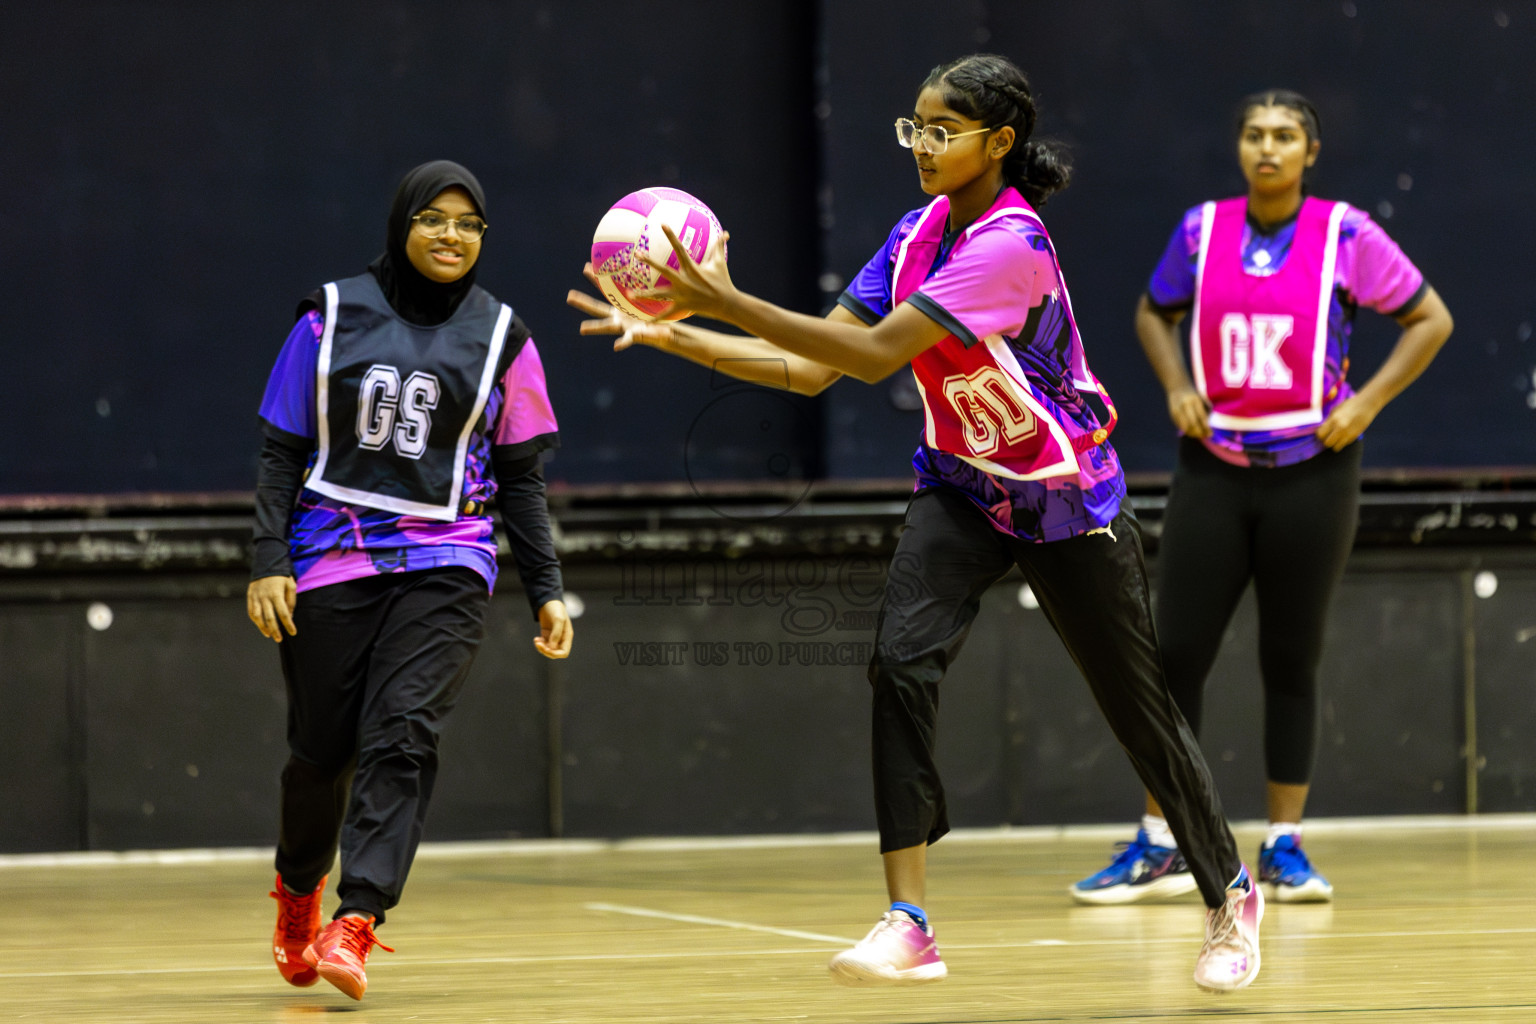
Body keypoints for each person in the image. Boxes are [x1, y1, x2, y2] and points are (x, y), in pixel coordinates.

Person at [569, 54, 1262, 992]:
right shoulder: (916, 233)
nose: (923, 146)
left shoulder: (1010, 246)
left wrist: (722, 300)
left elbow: (866, 356)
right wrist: (681, 333)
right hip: (962, 487)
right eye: (915, 127)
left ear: (999, 143)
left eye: (943, 130)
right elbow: (810, 369)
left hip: (1062, 498)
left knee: (1138, 712)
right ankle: (909, 920)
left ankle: (1228, 895)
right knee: (898, 661)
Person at [1072, 91, 1453, 906]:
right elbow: (1151, 311)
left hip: (1314, 470)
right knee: (1174, 657)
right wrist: (1177, 384)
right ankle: (1165, 841)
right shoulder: (1201, 230)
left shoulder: (1348, 235)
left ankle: (1284, 845)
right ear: (1239, 147)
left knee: (1290, 656)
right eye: (1254, 135)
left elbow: (1430, 319)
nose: (1268, 148)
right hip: (1213, 470)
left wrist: (1368, 402)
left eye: (1285, 136)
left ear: (1309, 151)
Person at [247, 160, 573, 1001]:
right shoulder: (328, 317)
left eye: (469, 224)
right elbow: (282, 450)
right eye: (435, 219)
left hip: (448, 557)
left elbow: (523, 478)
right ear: (402, 225)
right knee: (320, 756)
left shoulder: (507, 339)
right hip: (331, 554)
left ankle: (356, 920)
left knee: (405, 732)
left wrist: (546, 585)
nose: (452, 236)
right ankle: (296, 896)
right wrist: (267, 561)